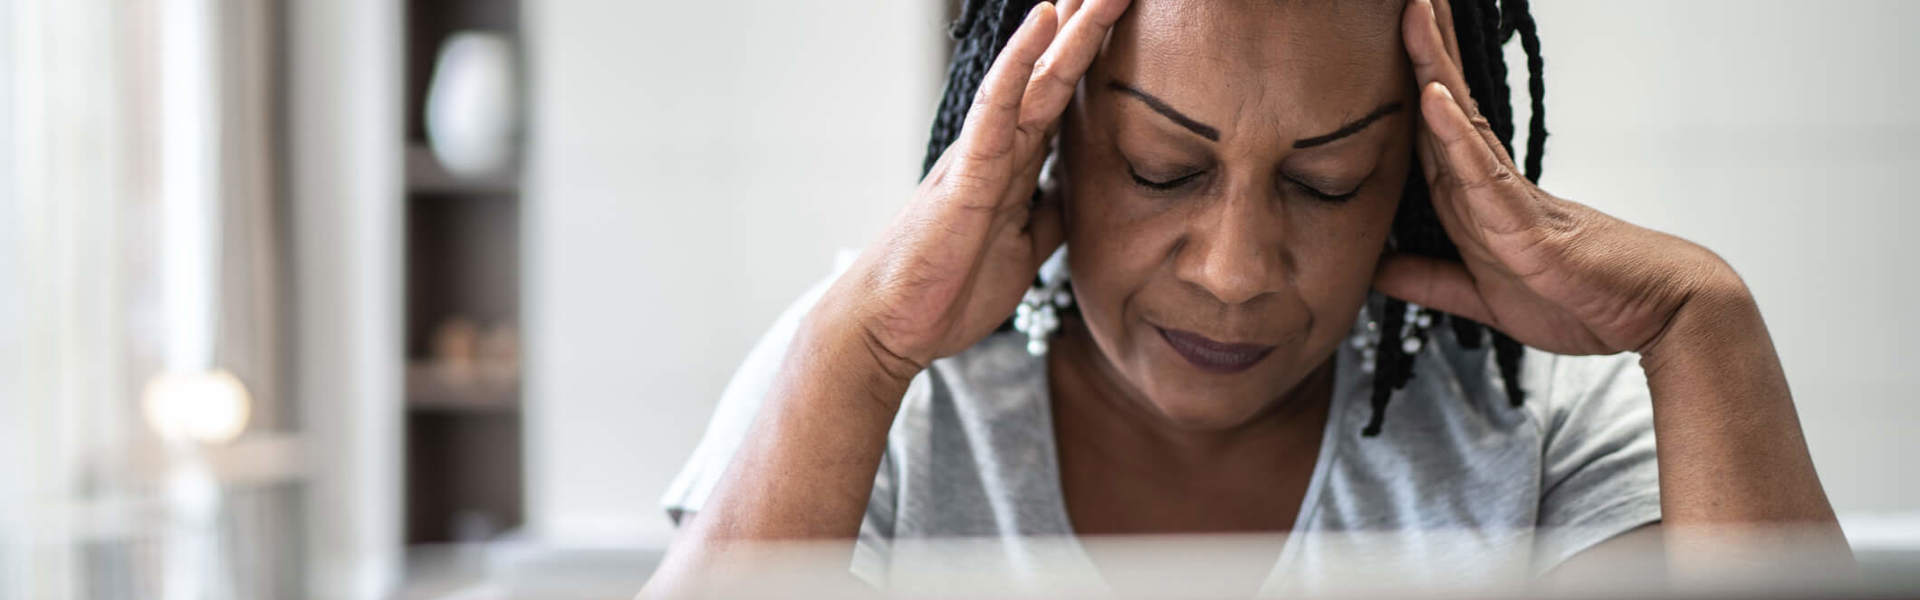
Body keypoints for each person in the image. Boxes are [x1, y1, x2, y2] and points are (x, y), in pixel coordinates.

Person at [642, 0, 1848, 595]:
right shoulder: (876, 392)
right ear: (1051, 141)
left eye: (1327, 184)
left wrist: (1703, 326)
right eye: (1164, 168)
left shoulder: (1537, 424)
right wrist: (856, 354)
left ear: (1418, 185)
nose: (1234, 269)